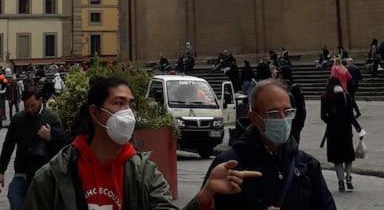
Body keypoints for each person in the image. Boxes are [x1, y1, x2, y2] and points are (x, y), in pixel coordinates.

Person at [24, 75, 248, 209]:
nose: (127, 113)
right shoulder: (52, 177)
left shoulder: (146, 175)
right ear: (95, 112)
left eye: (130, 105)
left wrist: (205, 195)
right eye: (118, 103)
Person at [205, 79, 336, 209]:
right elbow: (206, 202)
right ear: (254, 118)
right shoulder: (228, 166)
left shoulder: (307, 166)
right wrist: (206, 195)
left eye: (287, 111)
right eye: (273, 114)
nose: (283, 119)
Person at [0, 86, 65, 209]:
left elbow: (63, 148)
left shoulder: (51, 118)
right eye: (26, 106)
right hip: (22, 173)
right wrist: (1, 170)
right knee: (15, 200)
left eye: (32, 105)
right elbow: (8, 145)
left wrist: (50, 138)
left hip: (43, 176)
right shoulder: (18, 119)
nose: (29, 109)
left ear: (40, 100)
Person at [321, 77, 364, 192]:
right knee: (348, 155)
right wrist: (357, 127)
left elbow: (323, 116)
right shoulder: (347, 96)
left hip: (333, 131)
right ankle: (349, 177)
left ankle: (340, 181)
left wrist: (331, 121)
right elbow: (351, 115)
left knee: (337, 158)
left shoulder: (325, 96)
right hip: (346, 130)